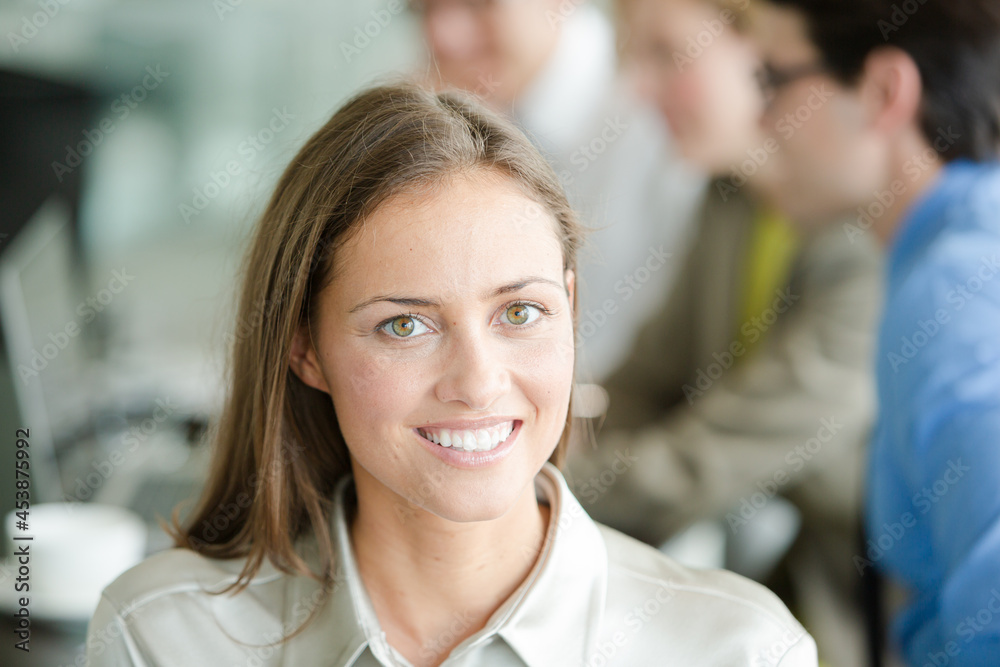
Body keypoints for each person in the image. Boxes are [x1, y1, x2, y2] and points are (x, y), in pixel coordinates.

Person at [82, 82, 818, 667]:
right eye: (405, 324)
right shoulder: (163, 639)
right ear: (304, 349)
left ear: (571, 306)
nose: (477, 381)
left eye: (520, 313)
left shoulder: (741, 650)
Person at [565, 1, 882, 664]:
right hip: (778, 590)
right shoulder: (731, 200)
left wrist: (529, 491)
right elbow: (643, 381)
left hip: (869, 618)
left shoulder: (867, 235)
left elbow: (703, 460)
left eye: (669, 54)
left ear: (761, 48)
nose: (640, 89)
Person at [746, 1, 1000, 665]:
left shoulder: (956, 288)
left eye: (774, 81)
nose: (759, 121)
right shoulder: (954, 251)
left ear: (885, 91)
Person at [409, 0, 706, 380]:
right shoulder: (433, 96)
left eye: (480, 5)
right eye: (418, 9)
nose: (442, 36)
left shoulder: (658, 111)